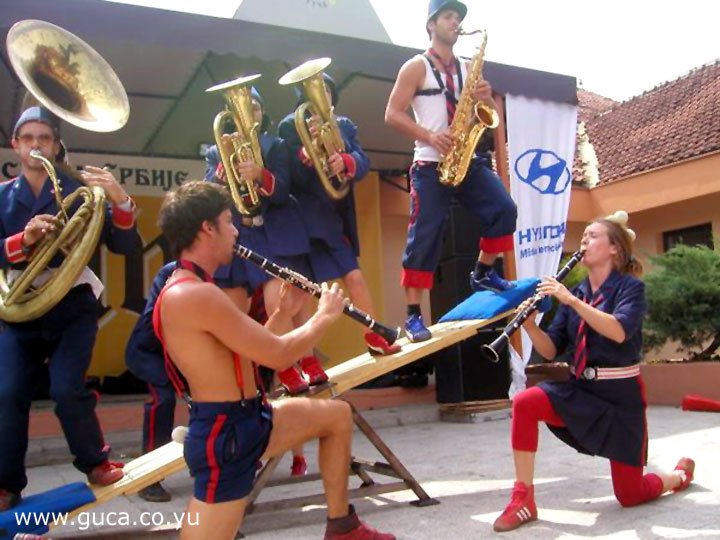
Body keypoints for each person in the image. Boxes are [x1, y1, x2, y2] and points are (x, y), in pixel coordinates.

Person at [152, 181, 395, 540]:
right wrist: (323, 316)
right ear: (207, 228)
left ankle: (342, 527)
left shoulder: (197, 288)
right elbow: (278, 354)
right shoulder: (193, 294)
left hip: (250, 418)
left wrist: (283, 313)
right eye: (228, 221)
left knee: (336, 416)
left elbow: (245, 355)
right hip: (227, 432)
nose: (235, 230)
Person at [493, 215, 695, 532]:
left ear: (615, 248)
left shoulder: (631, 289)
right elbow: (550, 349)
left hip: (620, 399)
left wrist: (570, 300)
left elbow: (618, 331)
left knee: (630, 495)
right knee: (526, 403)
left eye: (592, 236)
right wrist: (529, 325)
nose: (583, 242)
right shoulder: (575, 292)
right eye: (583, 237)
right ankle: (523, 499)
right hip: (581, 391)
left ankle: (678, 476)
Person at [0, 106, 141, 511]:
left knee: (67, 389)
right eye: (28, 138)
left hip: (73, 304)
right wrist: (22, 242)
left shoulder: (81, 187)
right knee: (8, 394)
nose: (36, 145)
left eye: (44, 138)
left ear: (57, 145)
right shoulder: (2, 196)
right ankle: (6, 484)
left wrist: (121, 200)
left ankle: (95, 462)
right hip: (22, 306)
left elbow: (125, 247)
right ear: (16, 146)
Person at [385, 0, 517, 342]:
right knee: (426, 235)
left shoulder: (468, 66)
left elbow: (484, 114)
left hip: (468, 159)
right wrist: (430, 135)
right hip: (430, 163)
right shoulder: (416, 67)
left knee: (504, 209)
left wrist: (485, 99)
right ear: (431, 24)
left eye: (458, 17)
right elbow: (392, 115)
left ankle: (484, 272)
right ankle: (414, 315)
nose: (455, 22)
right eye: (448, 16)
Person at [205, 87, 322, 401]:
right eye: (245, 108)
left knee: (296, 303)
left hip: (278, 233)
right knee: (274, 303)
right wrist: (220, 176)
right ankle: (285, 367)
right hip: (246, 237)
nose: (250, 113)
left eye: (255, 107)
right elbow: (210, 197)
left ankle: (307, 363)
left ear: (262, 114)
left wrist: (260, 174)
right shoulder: (217, 151)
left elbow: (282, 191)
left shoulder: (278, 145)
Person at [279, 72, 402, 358]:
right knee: (303, 293)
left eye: (326, 90)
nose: (322, 95)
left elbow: (362, 161)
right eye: (314, 90)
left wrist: (345, 161)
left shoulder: (343, 125)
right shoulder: (290, 126)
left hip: (333, 220)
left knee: (356, 280)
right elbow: (288, 175)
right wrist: (304, 156)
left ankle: (374, 337)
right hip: (303, 221)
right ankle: (307, 359)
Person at [125, 261, 178, 502]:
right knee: (163, 397)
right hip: (150, 352)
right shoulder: (170, 272)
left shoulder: (230, 273)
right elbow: (152, 322)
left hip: (185, 352)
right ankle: (150, 477)